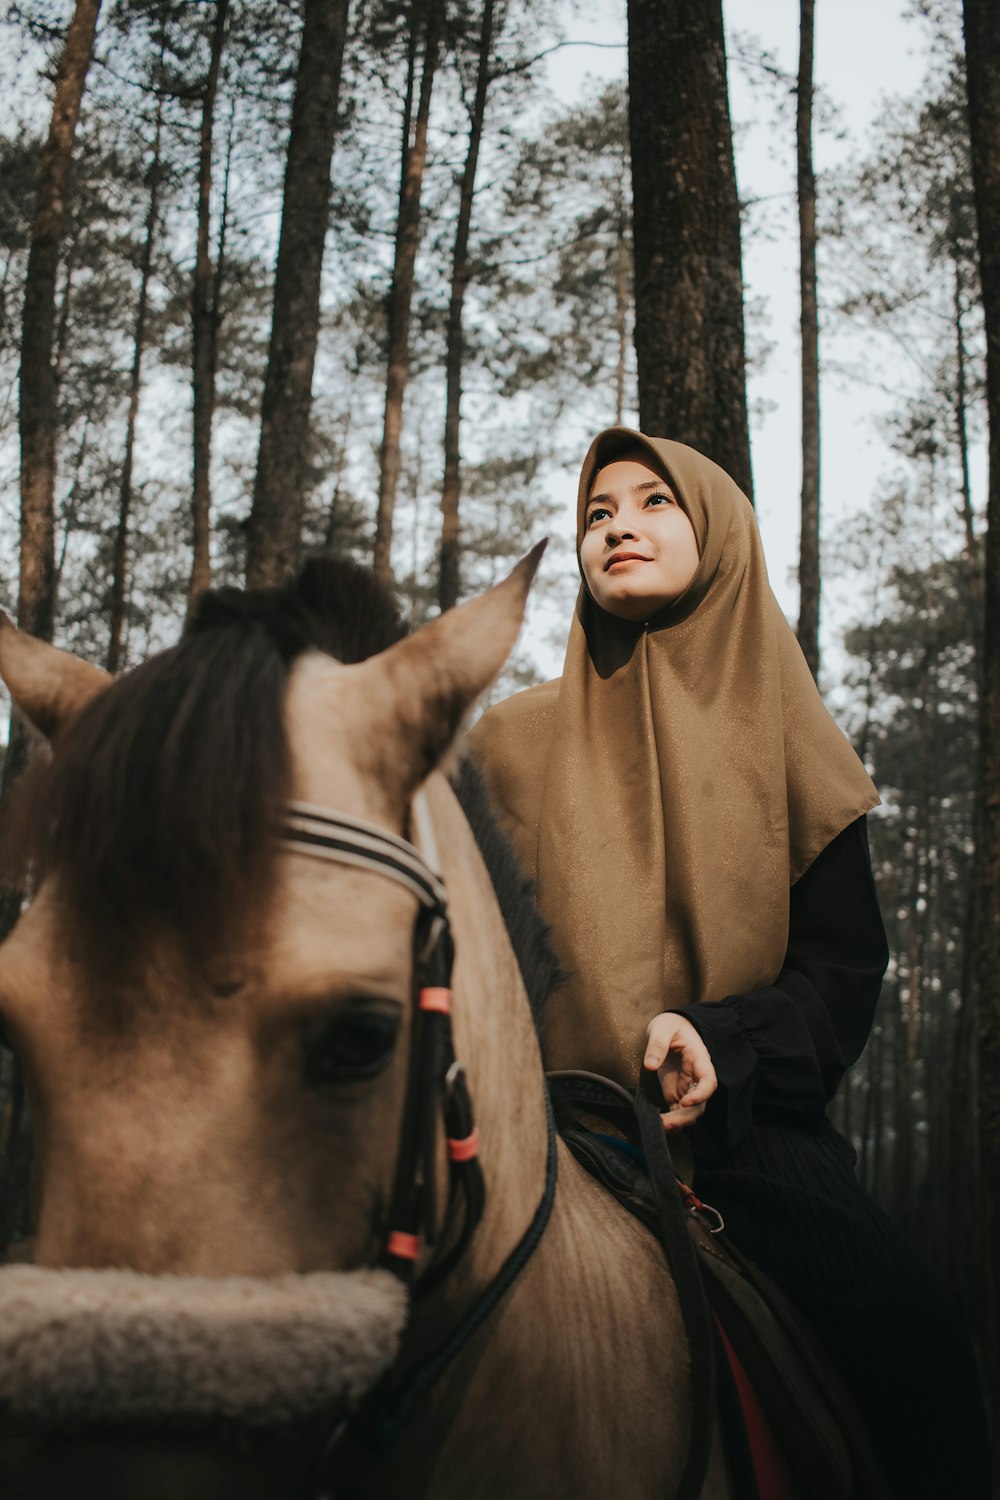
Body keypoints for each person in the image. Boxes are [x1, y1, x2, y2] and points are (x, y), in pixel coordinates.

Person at [469, 427, 990, 1499]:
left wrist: (719, 1036)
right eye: (597, 512)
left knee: (916, 1335)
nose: (616, 525)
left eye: (653, 502)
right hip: (542, 1138)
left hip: (747, 1144)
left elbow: (840, 976)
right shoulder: (502, 748)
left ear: (719, 532)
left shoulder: (798, 739)